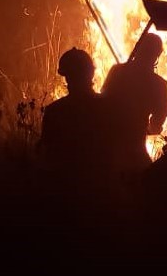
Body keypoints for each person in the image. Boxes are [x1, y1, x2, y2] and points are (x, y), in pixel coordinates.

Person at [39, 47, 114, 197]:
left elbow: (48, 153)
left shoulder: (55, 110)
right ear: (91, 73)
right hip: (101, 187)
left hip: (67, 189)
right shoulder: (107, 107)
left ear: (67, 77)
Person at [100, 33, 167, 176]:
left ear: (138, 49)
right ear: (157, 55)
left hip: (107, 144)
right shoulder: (158, 84)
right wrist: (148, 129)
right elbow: (158, 121)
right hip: (134, 148)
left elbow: (103, 99)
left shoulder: (117, 71)